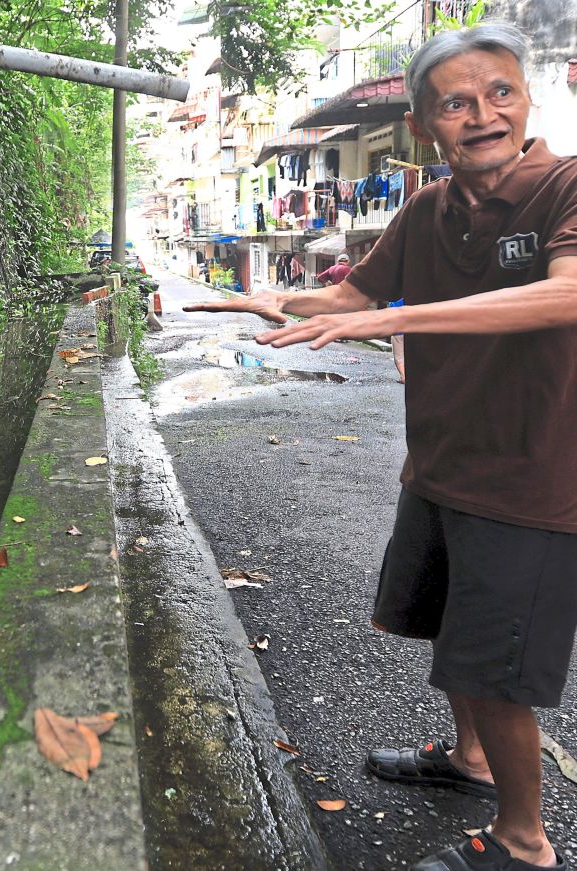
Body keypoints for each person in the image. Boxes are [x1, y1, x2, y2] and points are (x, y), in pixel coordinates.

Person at [183, 21, 577, 871]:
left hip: (537, 480)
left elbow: (566, 296)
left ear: (528, 99)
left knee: (501, 672)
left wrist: (392, 318)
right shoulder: (427, 208)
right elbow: (352, 295)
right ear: (423, 128)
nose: (482, 114)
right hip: (439, 466)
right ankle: (468, 764)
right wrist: (273, 307)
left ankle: (525, 843)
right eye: (457, 103)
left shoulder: (567, 186)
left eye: (500, 93)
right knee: (451, 628)